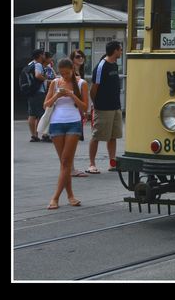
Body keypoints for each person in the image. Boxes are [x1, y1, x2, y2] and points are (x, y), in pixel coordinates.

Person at [43, 58, 89, 209]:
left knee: (65, 162)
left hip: (73, 123)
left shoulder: (82, 83)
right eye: (62, 74)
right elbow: (46, 104)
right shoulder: (55, 83)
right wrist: (57, 95)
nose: (65, 76)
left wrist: (71, 95)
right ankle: (70, 196)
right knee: (65, 164)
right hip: (56, 124)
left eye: (67, 73)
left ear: (73, 70)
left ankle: (55, 197)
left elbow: (84, 107)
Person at [87, 41, 123, 173]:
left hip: (115, 107)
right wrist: (96, 104)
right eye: (120, 50)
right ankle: (91, 164)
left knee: (113, 136)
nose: (121, 52)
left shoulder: (114, 64)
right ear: (114, 51)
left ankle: (112, 163)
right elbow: (94, 88)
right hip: (103, 108)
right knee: (96, 136)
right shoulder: (102, 66)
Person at [69, 50, 89, 176]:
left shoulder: (79, 73)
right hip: (73, 110)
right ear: (72, 59)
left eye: (82, 56)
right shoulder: (72, 74)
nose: (81, 58)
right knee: (72, 141)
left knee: (73, 140)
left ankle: (69, 167)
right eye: (78, 56)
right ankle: (70, 168)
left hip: (77, 109)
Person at [24, 50, 51, 142]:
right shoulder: (38, 64)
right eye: (43, 54)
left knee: (32, 114)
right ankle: (44, 134)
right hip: (38, 92)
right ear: (40, 55)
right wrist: (46, 79)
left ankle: (34, 135)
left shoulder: (30, 63)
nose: (44, 56)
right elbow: (37, 75)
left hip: (31, 92)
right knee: (43, 114)